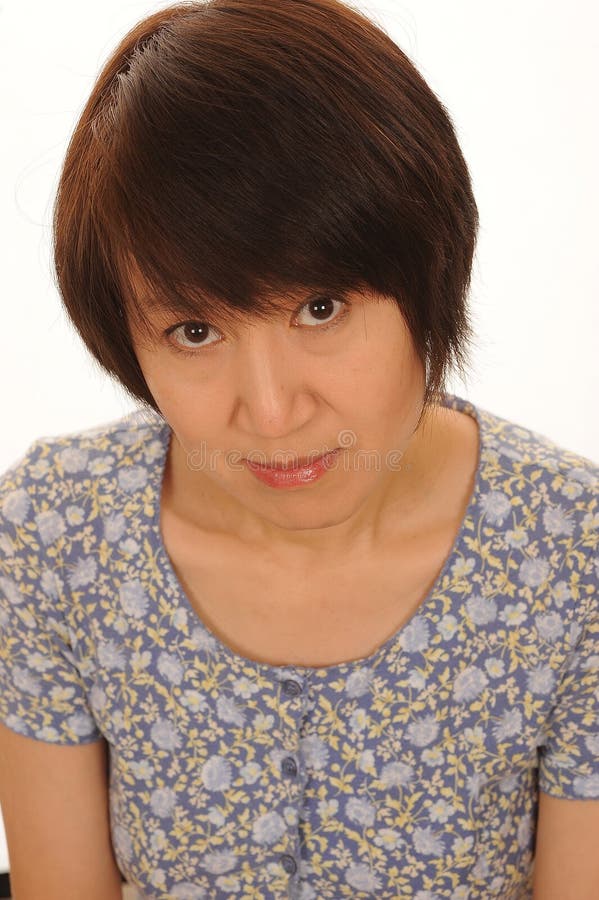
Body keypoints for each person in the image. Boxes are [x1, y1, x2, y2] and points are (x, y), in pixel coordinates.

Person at [0, 1, 597, 897]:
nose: (271, 414)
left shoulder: (573, 554)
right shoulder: (55, 535)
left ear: (427, 269)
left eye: (319, 308)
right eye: (193, 330)